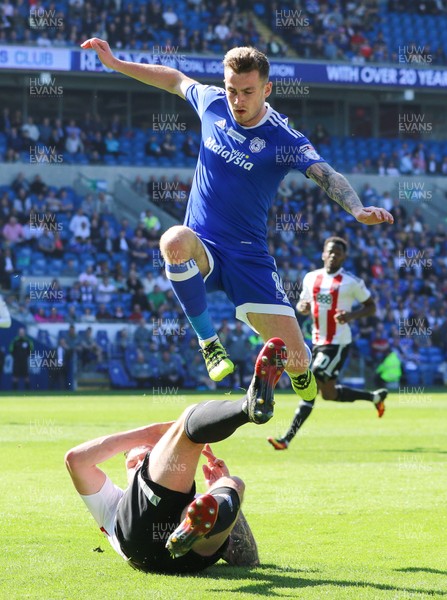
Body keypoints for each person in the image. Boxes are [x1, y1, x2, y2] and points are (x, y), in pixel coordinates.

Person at [81, 40, 393, 419]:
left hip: (249, 257)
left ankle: (300, 375)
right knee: (173, 239)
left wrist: (357, 209)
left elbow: (325, 174)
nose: (237, 100)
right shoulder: (212, 103)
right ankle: (210, 343)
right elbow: (174, 79)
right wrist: (115, 62)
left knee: (298, 360)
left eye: (247, 92)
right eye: (232, 90)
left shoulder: (284, 139)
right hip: (204, 246)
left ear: (267, 89)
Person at [65, 338, 287, 573]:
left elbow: (247, 560)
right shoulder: (112, 503)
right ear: (128, 468)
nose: (145, 458)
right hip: (145, 542)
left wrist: (220, 492)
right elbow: (75, 460)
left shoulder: (200, 503)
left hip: (189, 557)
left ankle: (191, 528)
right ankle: (246, 408)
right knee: (195, 428)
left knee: (232, 483)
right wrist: (148, 433)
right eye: (136, 460)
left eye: (148, 454)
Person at [267, 237, 388, 451]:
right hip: (316, 341)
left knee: (311, 382)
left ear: (344, 257)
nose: (333, 255)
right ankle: (374, 396)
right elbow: (302, 304)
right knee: (329, 394)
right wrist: (302, 306)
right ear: (323, 253)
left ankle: (286, 439)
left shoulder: (351, 282)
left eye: (338, 253)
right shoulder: (311, 278)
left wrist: (351, 316)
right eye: (330, 251)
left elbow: (371, 307)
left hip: (338, 343)